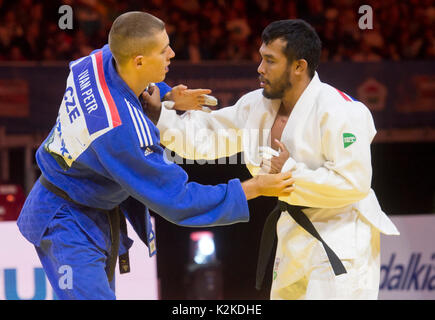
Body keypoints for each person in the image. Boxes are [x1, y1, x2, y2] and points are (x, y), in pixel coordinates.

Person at [16, 12, 295, 300]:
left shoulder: (95, 62)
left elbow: (122, 83)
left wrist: (166, 95)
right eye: (164, 51)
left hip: (87, 202)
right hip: (67, 219)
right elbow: (179, 200)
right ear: (139, 61)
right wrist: (255, 187)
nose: (172, 54)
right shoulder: (121, 131)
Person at [150, 19, 400, 300]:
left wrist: (289, 172)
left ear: (298, 66)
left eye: (270, 61)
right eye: (261, 58)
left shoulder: (341, 111)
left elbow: (354, 184)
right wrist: (159, 115)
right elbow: (205, 138)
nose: (260, 68)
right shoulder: (256, 104)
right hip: (293, 231)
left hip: (341, 238)